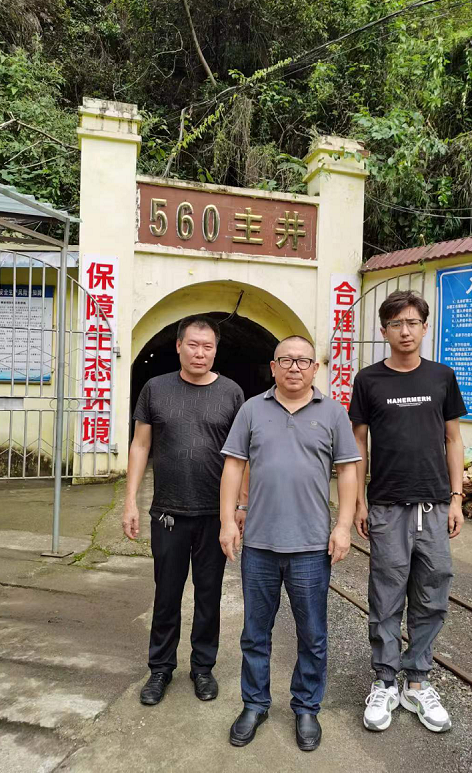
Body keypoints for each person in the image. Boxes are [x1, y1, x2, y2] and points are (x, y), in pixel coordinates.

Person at [219, 336, 361, 752]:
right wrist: (227, 520)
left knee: (312, 633)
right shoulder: (252, 409)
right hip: (259, 544)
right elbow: (234, 466)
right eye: (286, 360)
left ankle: (306, 707)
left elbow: (348, 472)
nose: (294, 367)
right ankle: (254, 704)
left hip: (311, 547)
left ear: (315, 368)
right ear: (273, 366)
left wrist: (343, 526)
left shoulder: (333, 412)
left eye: (303, 361)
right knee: (255, 633)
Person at [349, 290, 466, 734]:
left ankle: (417, 681)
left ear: (424, 327)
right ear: (384, 331)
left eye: (413, 322)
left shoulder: (442, 376)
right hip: (387, 505)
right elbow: (357, 444)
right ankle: (384, 680)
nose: (405, 331)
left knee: (433, 593)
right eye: (396, 324)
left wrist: (457, 498)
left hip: (434, 505)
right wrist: (359, 500)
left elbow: (453, 439)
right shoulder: (369, 380)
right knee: (385, 596)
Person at [122, 315, 244, 706]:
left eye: (208, 347)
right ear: (178, 346)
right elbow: (140, 445)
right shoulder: (155, 389)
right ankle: (160, 668)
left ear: (216, 350)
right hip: (167, 512)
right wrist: (130, 500)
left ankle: (203, 667)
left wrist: (239, 506)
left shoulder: (231, 393)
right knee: (167, 593)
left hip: (214, 514)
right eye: (193, 344)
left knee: (209, 595)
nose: (200, 353)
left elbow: (241, 456)